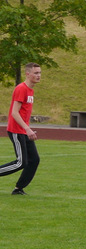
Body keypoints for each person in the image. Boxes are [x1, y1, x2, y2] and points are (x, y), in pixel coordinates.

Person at [2, 63, 43, 195]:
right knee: (21, 162)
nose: (39, 75)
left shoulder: (31, 90)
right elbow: (14, 112)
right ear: (27, 74)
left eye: (40, 73)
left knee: (34, 160)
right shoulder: (21, 89)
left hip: (24, 130)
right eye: (36, 73)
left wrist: (27, 128)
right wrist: (27, 129)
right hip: (16, 130)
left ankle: (18, 189)